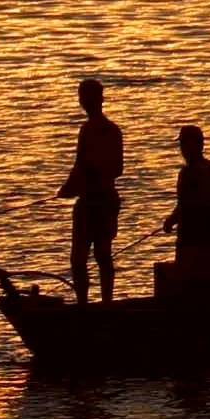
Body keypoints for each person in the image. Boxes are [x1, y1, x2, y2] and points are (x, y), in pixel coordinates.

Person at [58, 77, 125, 303]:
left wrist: (69, 188)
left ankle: (86, 304)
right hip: (105, 200)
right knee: (101, 255)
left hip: (94, 202)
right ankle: (103, 302)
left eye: (85, 96)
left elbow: (83, 166)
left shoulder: (91, 130)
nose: (83, 101)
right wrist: (70, 187)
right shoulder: (112, 130)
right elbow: (116, 169)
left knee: (82, 258)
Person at [159, 123, 210, 295]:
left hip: (191, 241)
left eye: (183, 144)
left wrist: (170, 222)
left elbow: (184, 207)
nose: (182, 149)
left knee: (188, 288)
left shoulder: (187, 173)